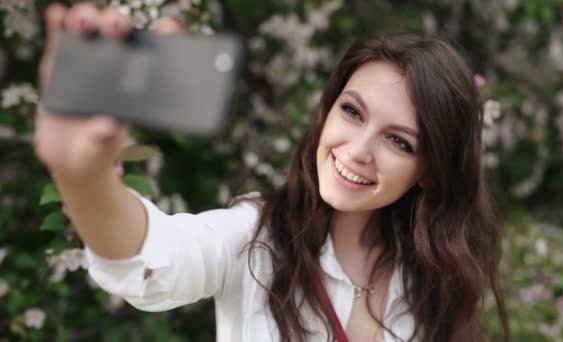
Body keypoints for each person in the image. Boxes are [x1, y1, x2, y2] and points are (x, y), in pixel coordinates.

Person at [35, 3, 510, 342]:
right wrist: (84, 177)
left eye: (398, 141)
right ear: (327, 111)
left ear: (428, 171)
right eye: (352, 112)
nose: (359, 150)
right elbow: (151, 255)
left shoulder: (434, 279)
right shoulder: (256, 238)